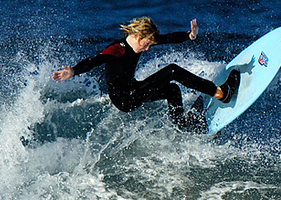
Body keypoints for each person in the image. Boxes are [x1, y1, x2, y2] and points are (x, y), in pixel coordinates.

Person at [52, 17, 240, 132]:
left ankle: (183, 126)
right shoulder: (115, 50)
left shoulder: (141, 42)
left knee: (172, 90)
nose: (148, 48)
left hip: (133, 89)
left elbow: (167, 39)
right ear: (137, 37)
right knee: (172, 71)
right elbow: (93, 61)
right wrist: (74, 71)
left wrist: (188, 35)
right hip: (125, 98)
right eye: (146, 44)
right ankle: (220, 93)